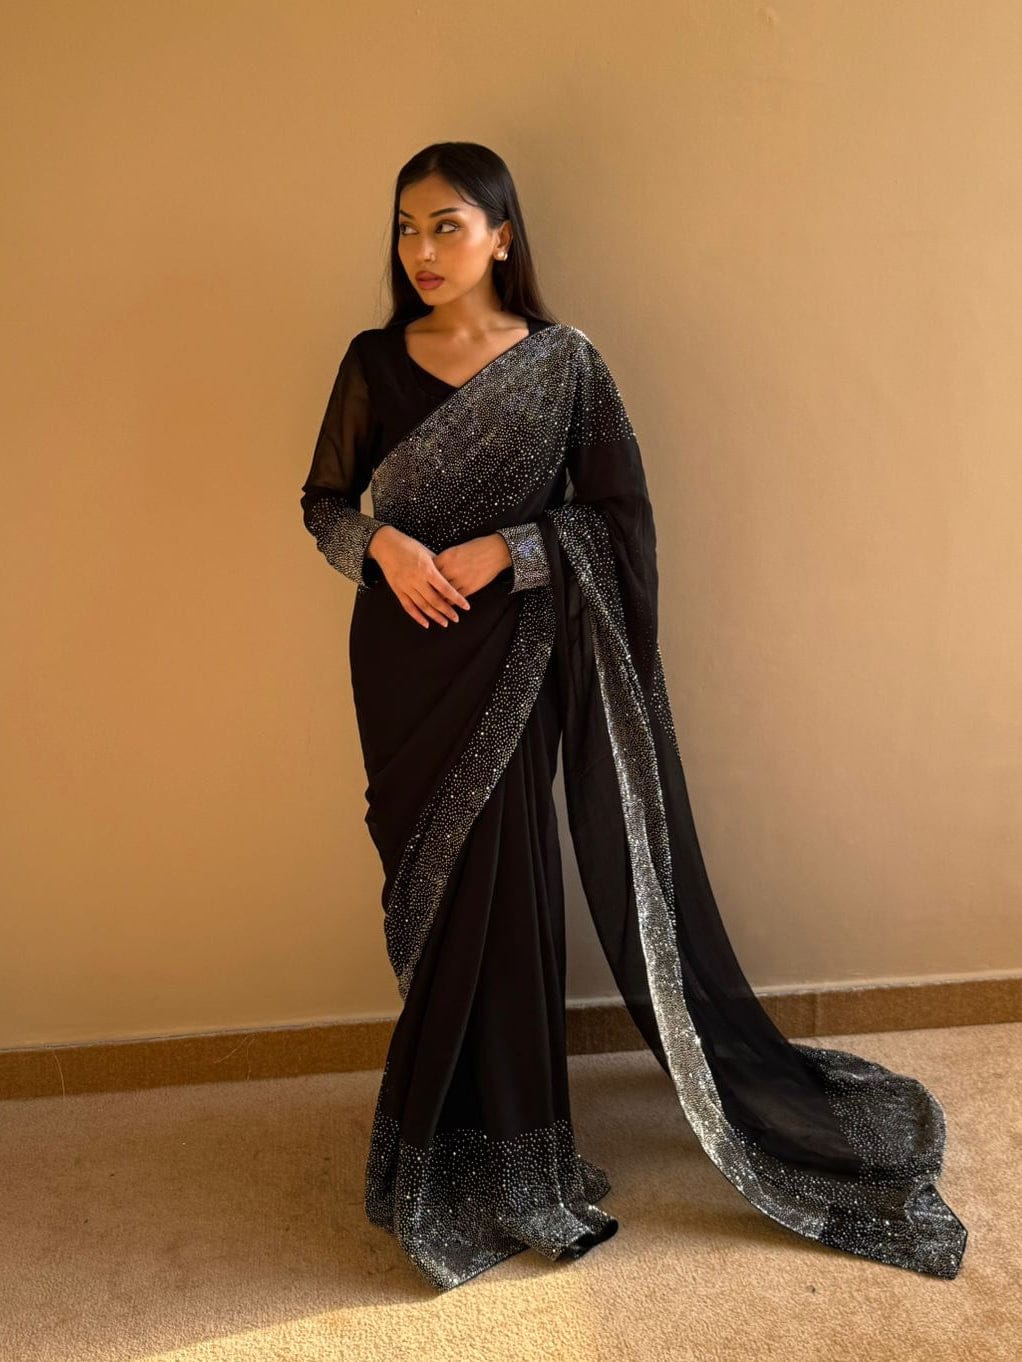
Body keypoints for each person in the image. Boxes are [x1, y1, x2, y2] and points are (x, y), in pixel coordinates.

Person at [300, 141, 968, 1294]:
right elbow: (320, 502)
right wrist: (381, 546)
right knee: (431, 899)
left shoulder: (564, 367)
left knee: (506, 895)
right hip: (400, 664)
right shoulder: (370, 361)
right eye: (404, 228)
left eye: (446, 225)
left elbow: (617, 524)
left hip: (509, 660)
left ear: (502, 234)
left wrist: (507, 548)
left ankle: (521, 1161)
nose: (420, 250)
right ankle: (448, 1150)